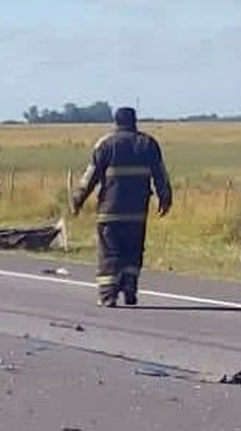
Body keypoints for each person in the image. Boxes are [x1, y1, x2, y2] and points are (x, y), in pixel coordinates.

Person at [71, 107, 172, 307]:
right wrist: (165, 198)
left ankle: (108, 295)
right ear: (135, 121)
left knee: (110, 253)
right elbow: (160, 175)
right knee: (133, 252)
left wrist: (78, 199)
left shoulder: (105, 144)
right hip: (137, 213)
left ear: (115, 122)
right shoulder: (148, 144)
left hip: (110, 212)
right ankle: (129, 289)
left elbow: (90, 177)